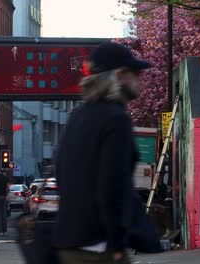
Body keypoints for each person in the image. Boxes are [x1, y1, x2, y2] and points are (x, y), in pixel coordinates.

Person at [53, 41, 153, 264]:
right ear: (119, 75)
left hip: (68, 242)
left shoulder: (77, 116)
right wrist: (117, 244)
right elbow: (112, 186)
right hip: (100, 247)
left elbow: (60, 171)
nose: (140, 78)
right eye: (136, 72)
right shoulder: (116, 119)